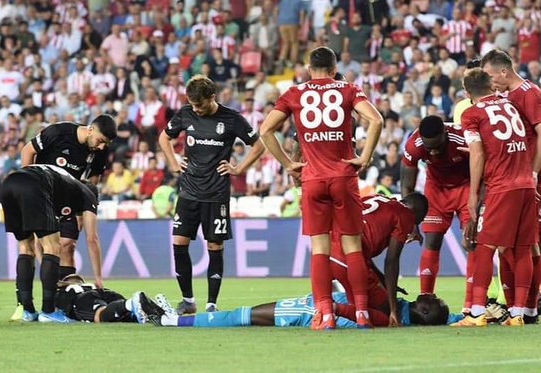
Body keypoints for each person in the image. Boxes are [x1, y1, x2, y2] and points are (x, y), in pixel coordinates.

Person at [259, 46, 383, 330]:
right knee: (352, 246)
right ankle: (362, 312)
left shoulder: (294, 93)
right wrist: (364, 157)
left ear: (308, 68)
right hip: (343, 176)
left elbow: (265, 130)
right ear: (333, 66)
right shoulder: (349, 89)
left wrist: (289, 163)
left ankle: (325, 314)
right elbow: (376, 119)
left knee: (319, 249)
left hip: (312, 179)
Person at [158, 75, 264, 315]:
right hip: (188, 191)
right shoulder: (185, 114)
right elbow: (164, 137)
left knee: (214, 245)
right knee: (179, 242)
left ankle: (211, 304)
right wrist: (173, 162)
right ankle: (188, 300)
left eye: (200, 105)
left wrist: (239, 169)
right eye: (192, 105)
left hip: (216, 193)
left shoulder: (231, 118)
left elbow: (258, 145)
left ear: (212, 98)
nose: (196, 109)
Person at [10, 114, 116, 321]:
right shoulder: (59, 132)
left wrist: (83, 206)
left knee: (67, 246)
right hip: (41, 195)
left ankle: (60, 302)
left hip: (68, 199)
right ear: (91, 130)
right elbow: (28, 151)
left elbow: (93, 179)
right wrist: (28, 186)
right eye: (101, 141)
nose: (102, 147)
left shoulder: (99, 151)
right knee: (33, 247)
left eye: (107, 143)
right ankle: (24, 305)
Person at [453, 68, 536, 327]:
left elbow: (477, 154)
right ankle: (518, 314)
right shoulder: (511, 104)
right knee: (522, 250)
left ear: (467, 93)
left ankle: (476, 313)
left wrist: (473, 196)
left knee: (483, 248)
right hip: (526, 184)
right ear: (491, 84)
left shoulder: (471, 114)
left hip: (501, 187)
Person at [481, 49, 541, 324]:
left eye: (491, 76)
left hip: (528, 178)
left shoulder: (528, 92)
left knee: (529, 244)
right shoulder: (506, 96)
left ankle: (531, 306)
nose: (491, 82)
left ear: (504, 71)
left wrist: (535, 173)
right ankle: (524, 306)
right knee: (514, 245)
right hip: (515, 177)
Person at [0, 164, 103, 323]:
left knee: (25, 248)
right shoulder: (88, 194)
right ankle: (49, 311)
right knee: (54, 247)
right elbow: (92, 239)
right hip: (33, 183)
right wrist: (98, 279)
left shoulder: (62, 189)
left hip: (8, 184)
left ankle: (27, 311)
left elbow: (37, 239)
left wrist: (47, 266)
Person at [401, 116, 473, 310]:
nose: (432, 151)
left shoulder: (462, 138)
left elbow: (482, 166)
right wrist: (411, 223)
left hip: (466, 187)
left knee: (471, 242)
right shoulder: (413, 145)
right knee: (431, 240)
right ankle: (425, 297)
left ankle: (471, 304)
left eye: (437, 146)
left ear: (445, 134)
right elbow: (407, 187)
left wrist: (477, 199)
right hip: (436, 189)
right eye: (428, 147)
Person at [329, 193, 429, 327]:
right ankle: (333, 309)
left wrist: (383, 280)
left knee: (360, 304)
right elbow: (391, 262)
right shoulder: (406, 215)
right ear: (415, 211)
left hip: (327, 249)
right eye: (419, 220)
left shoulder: (380, 198)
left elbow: (366, 250)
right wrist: (393, 309)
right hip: (349, 259)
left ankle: (326, 310)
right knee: (383, 314)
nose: (415, 224)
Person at [150, 292, 456, 328]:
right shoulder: (399, 307)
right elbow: (450, 318)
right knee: (243, 314)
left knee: (241, 317)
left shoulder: (390, 317)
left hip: (313, 310)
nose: (431, 295)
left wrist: (327, 306)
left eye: (434, 301)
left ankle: (171, 320)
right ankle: (174, 319)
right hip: (319, 302)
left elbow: (351, 312)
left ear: (425, 313)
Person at [55, 274, 165, 324]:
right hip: (105, 292)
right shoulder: (88, 286)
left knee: (100, 316)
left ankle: (130, 303)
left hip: (83, 300)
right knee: (124, 315)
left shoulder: (65, 292)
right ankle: (156, 311)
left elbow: (53, 314)